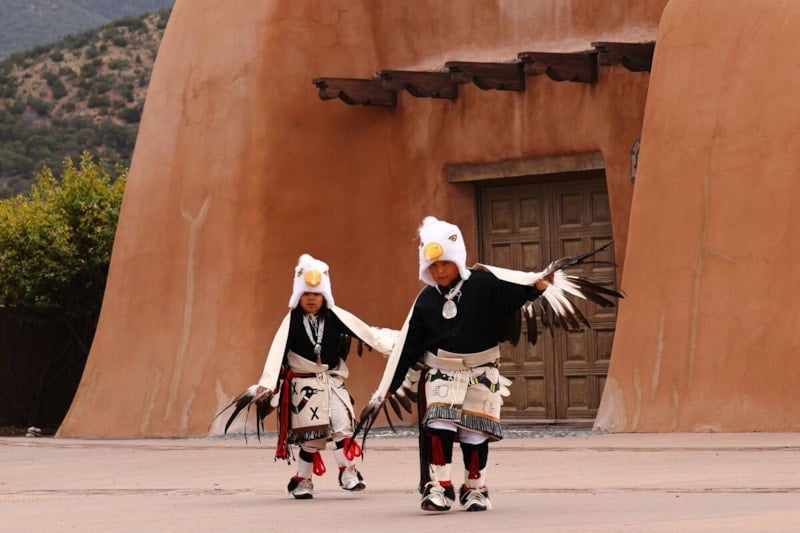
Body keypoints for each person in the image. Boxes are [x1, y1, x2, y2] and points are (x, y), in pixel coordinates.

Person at [360, 215, 623, 513]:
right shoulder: (426, 301)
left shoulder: (483, 284)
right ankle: (439, 487)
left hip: (481, 372)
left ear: (457, 260)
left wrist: (537, 286)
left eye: (445, 263)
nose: (440, 270)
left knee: (474, 433)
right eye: (433, 265)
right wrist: (389, 387)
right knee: (439, 425)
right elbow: (408, 347)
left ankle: (475, 489)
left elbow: (514, 294)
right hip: (442, 372)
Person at [218, 253, 396, 500]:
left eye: (316, 294)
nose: (311, 299)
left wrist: (395, 349)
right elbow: (277, 351)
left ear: (325, 296)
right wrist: (267, 383)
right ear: (298, 296)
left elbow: (367, 333)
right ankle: (303, 480)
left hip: (331, 382)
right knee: (311, 438)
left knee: (343, 425)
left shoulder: (336, 317)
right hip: (303, 386)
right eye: (306, 294)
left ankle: (348, 472)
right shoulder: (291, 321)